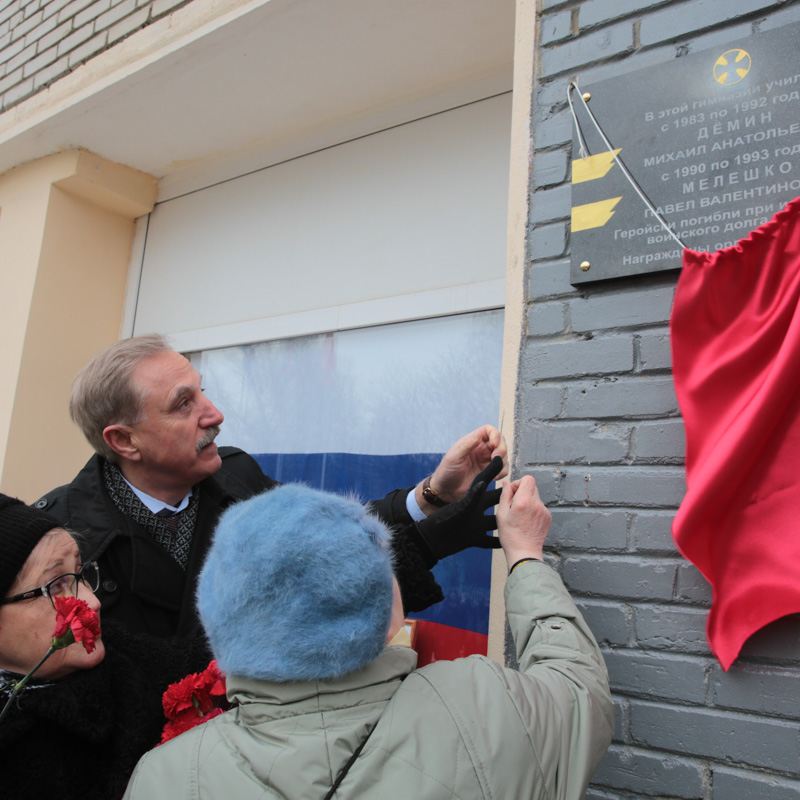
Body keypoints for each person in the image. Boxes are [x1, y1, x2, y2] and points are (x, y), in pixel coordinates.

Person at [123, 477, 614, 800]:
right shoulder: (483, 706)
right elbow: (579, 693)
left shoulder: (164, 779)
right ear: (388, 611)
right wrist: (525, 555)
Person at [35, 335, 508, 638]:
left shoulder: (236, 477)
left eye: (202, 391)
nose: (215, 414)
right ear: (124, 441)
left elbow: (335, 535)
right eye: (183, 404)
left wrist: (433, 495)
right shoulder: (57, 542)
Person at [0, 494, 211, 800]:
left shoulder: (123, 658)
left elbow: (195, 662)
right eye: (55, 586)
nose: (92, 601)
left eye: (80, 573)